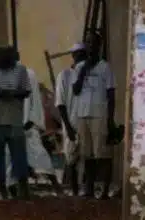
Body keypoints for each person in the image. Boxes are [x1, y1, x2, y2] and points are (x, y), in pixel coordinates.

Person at [6, 50, 62, 197]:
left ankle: (58, 188)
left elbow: (34, 99)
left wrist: (32, 120)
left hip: (27, 125)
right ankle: (19, 193)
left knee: (40, 156)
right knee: (12, 160)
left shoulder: (28, 74)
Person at [0, 45, 32, 199]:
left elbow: (27, 90)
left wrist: (13, 93)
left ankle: (23, 189)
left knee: (19, 156)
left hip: (15, 119)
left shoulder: (21, 69)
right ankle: (2, 189)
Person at [72, 33, 116, 199]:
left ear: (99, 45)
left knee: (103, 154)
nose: (90, 46)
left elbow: (111, 94)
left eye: (94, 43)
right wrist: (83, 70)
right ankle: (89, 189)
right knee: (87, 155)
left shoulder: (105, 67)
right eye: (88, 43)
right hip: (83, 115)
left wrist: (110, 119)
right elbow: (76, 90)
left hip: (99, 115)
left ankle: (104, 190)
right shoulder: (79, 67)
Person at [56, 43, 88, 196]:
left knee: (87, 159)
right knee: (71, 160)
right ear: (73, 56)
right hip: (72, 123)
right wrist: (68, 127)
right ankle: (75, 192)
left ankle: (84, 192)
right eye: (78, 54)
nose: (81, 57)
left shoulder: (89, 75)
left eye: (83, 54)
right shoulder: (64, 75)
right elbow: (60, 103)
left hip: (87, 122)